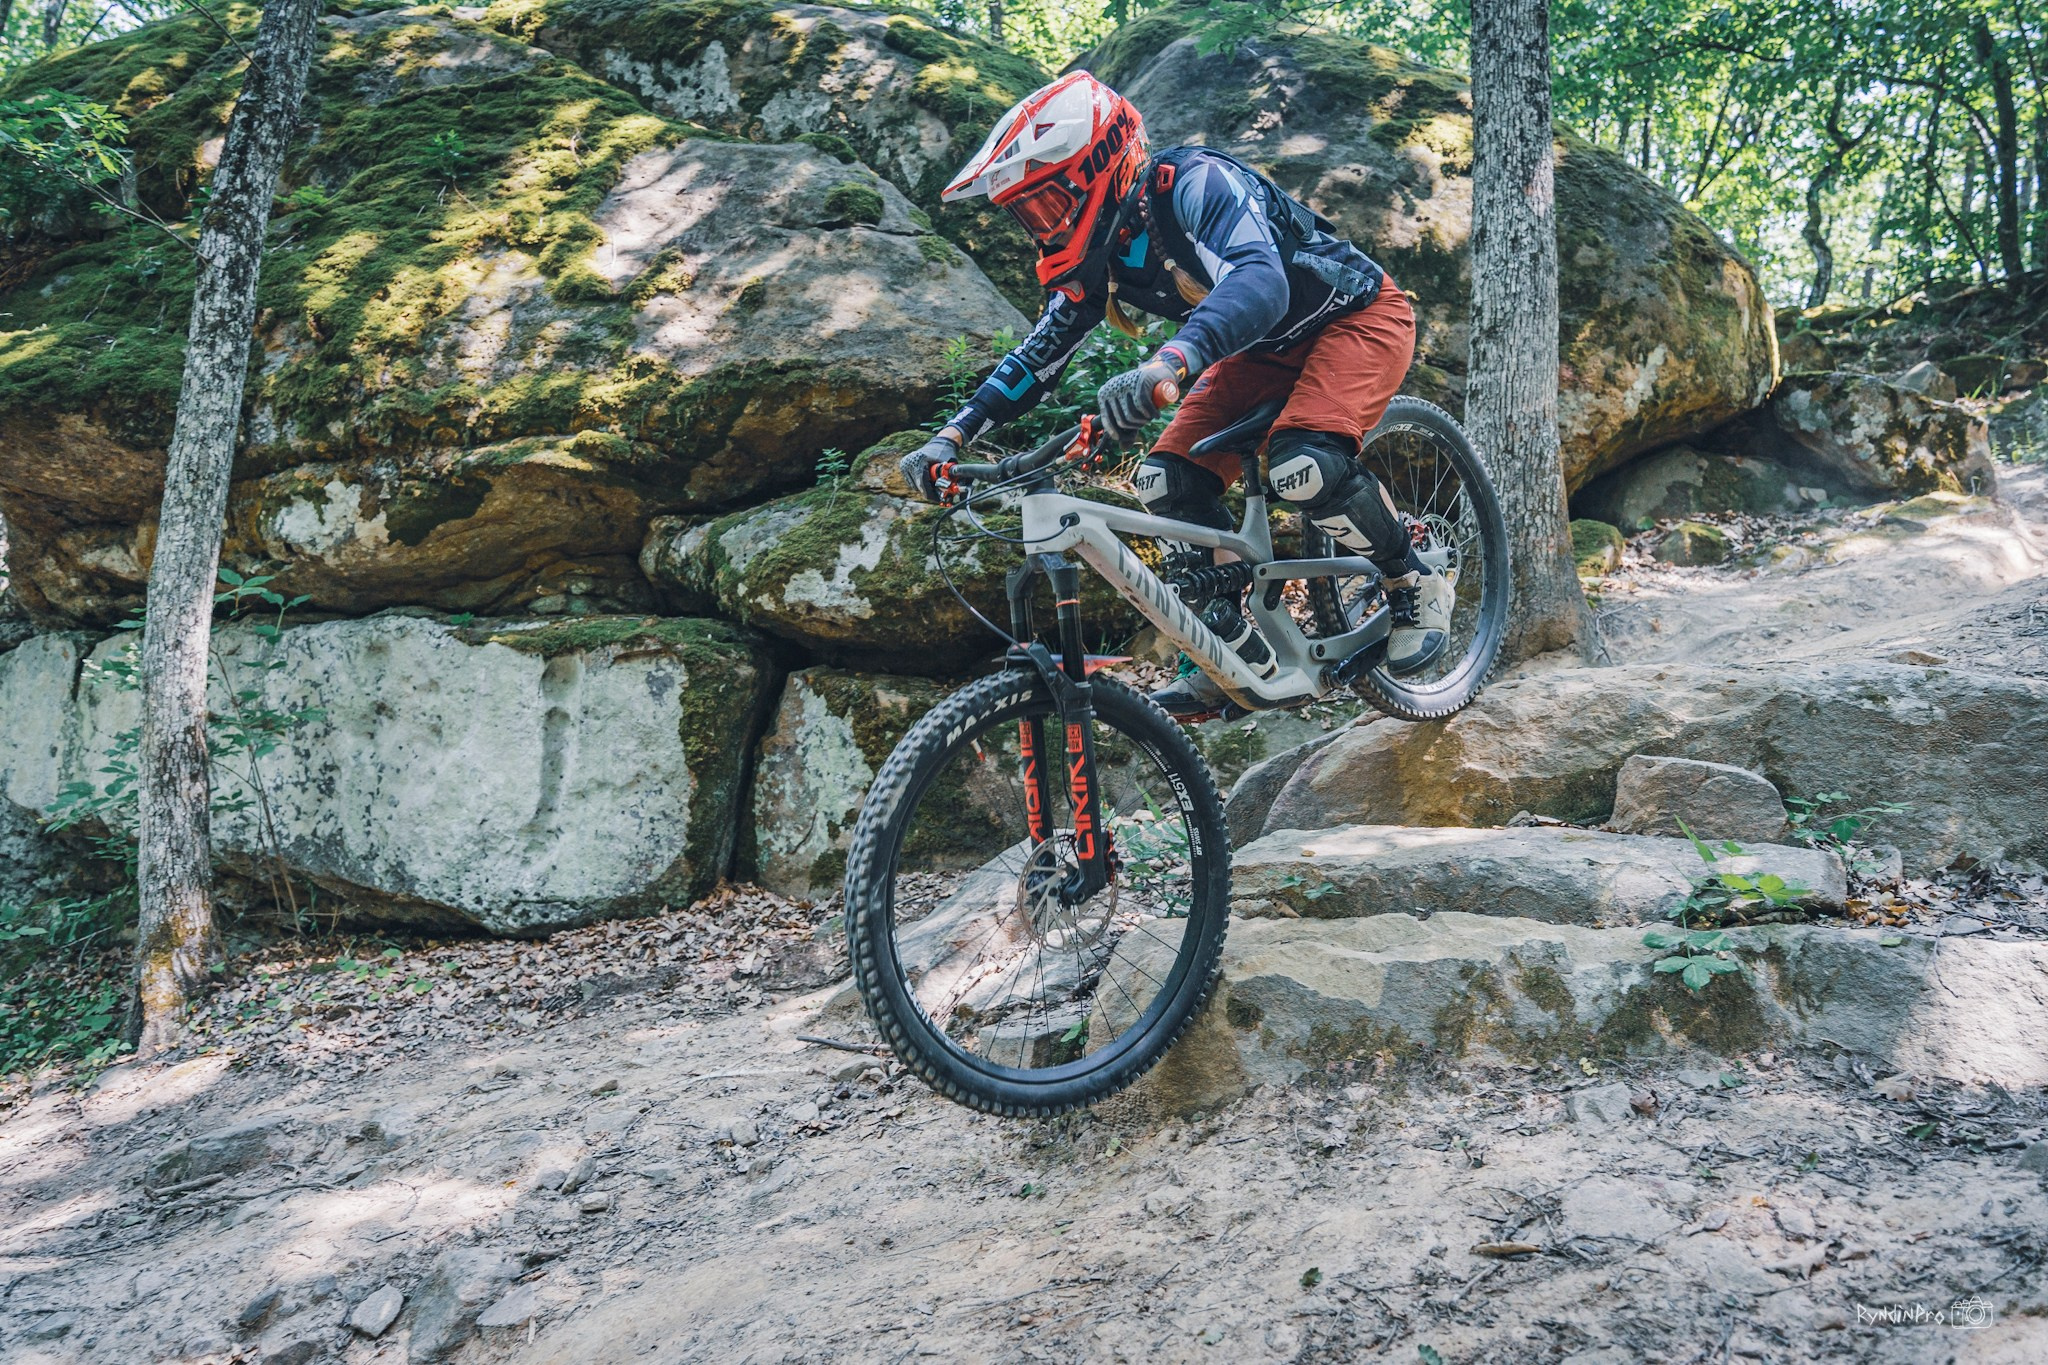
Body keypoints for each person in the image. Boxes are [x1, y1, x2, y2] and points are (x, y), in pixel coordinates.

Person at [900, 71, 1450, 716]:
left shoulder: (1194, 183)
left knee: (1303, 467)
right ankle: (1236, 651)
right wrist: (953, 434)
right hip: (1257, 352)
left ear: (1098, 166)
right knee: (1165, 481)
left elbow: (1259, 281)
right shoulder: (1096, 257)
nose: (1040, 229)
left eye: (1046, 206)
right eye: (1027, 216)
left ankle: (1414, 579)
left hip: (1353, 317)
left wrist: (1170, 361)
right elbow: (1040, 353)